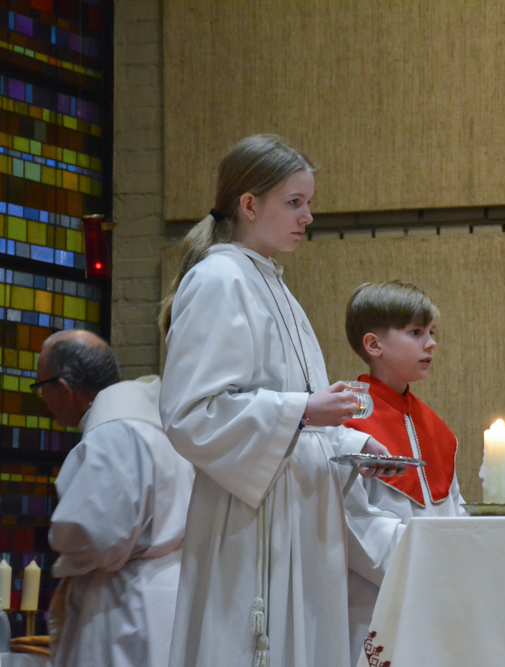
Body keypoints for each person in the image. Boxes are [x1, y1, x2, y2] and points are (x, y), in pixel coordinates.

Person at [158, 134, 402, 667]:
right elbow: (190, 414)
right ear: (249, 204)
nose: (307, 216)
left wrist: (350, 443)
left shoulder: (276, 288)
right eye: (294, 202)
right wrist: (304, 410)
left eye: (308, 203)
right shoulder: (219, 279)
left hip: (301, 517)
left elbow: (297, 412)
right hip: (251, 523)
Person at [37, 329, 193, 667]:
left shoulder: (110, 434)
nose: (43, 399)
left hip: (124, 608)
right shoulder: (156, 423)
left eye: (41, 388)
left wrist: (60, 538)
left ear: (64, 389)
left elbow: (96, 536)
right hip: (170, 594)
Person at [342, 280, 466, 665]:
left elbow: (454, 510)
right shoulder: (347, 425)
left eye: (432, 332)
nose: (431, 344)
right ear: (373, 345)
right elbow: (353, 522)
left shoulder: (438, 430)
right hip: (374, 599)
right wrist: (431, 561)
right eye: (416, 332)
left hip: (437, 593)